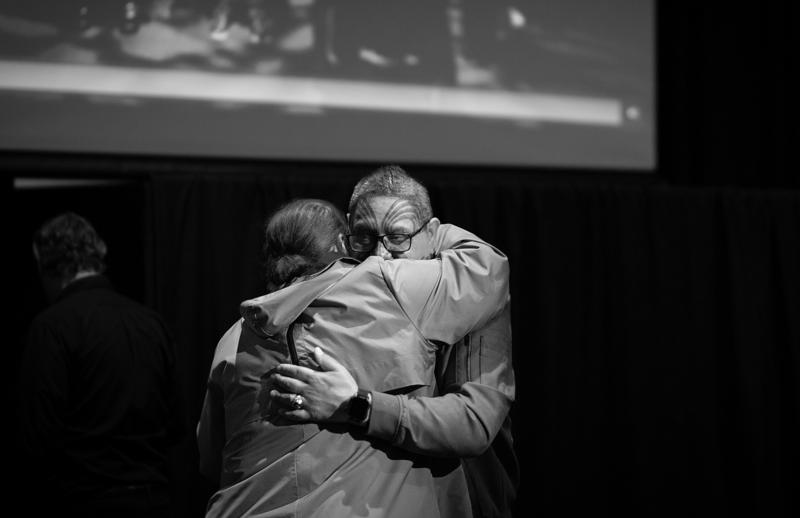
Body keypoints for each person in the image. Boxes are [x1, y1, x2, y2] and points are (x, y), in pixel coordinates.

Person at [196, 198, 509, 517]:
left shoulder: (232, 339)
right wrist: (430, 232)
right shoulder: (380, 291)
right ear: (344, 247)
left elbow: (210, 458)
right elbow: (487, 267)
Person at [269, 165, 519, 517]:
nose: (378, 257)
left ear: (431, 234)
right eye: (364, 237)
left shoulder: (470, 301)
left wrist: (359, 406)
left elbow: (472, 424)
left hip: (465, 502)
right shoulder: (345, 296)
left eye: (398, 238)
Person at [17, 212, 183, 518]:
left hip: (84, 502)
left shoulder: (51, 327)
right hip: (155, 501)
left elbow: (37, 438)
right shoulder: (151, 323)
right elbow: (176, 426)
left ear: (47, 265)